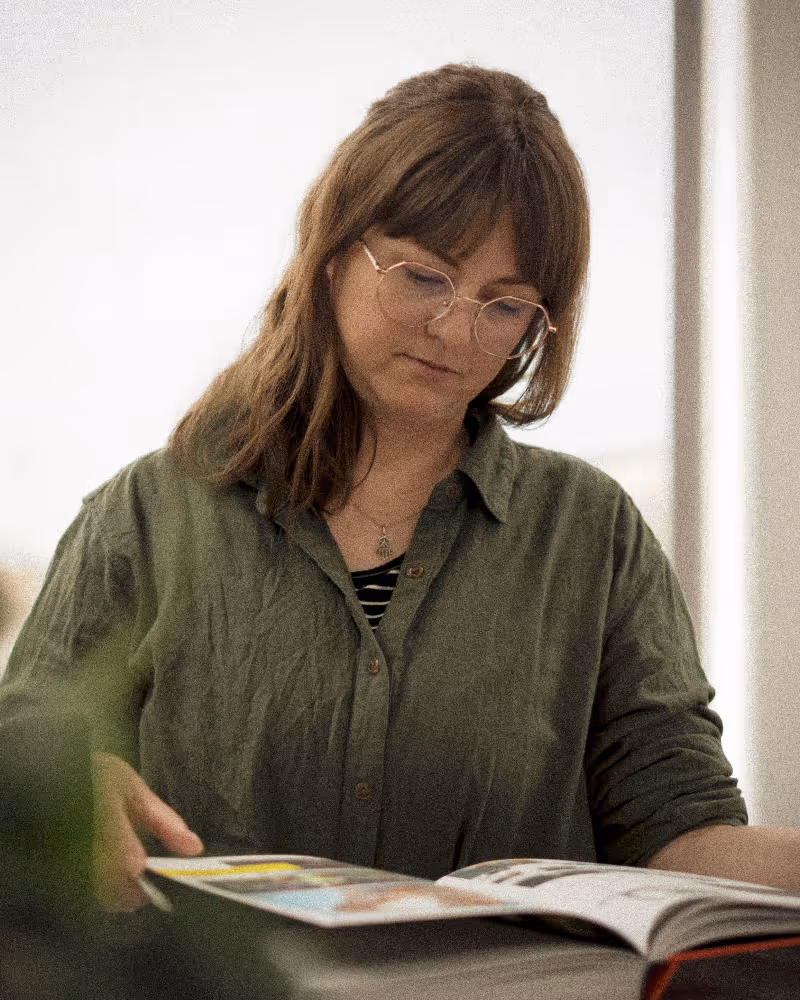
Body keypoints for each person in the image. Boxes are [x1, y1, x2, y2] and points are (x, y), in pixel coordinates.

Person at [1, 63, 798, 914]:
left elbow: (677, 829)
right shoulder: (147, 516)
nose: (454, 329)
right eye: (422, 277)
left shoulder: (593, 533)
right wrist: (59, 787)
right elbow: (24, 770)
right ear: (333, 255)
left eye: (505, 306)